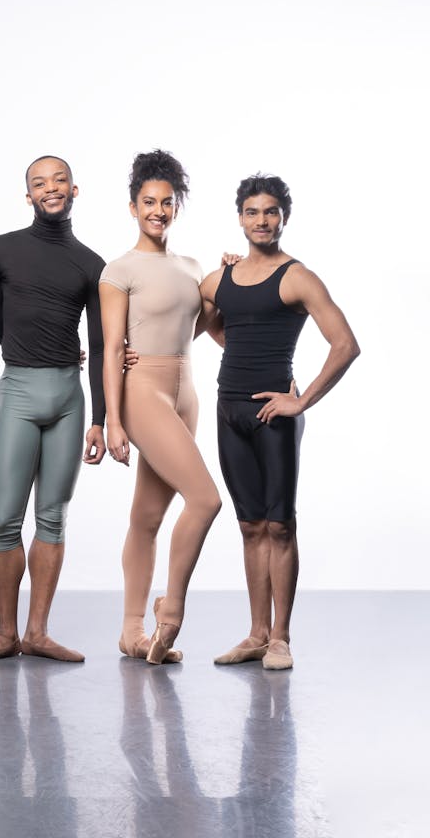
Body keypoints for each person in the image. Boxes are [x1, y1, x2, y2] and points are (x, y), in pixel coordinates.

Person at [203, 174, 359, 670]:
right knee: (249, 526)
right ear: (240, 218)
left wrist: (302, 400)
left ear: (283, 218)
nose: (262, 220)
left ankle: (281, 639)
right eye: (252, 212)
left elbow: (345, 344)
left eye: (271, 212)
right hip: (228, 411)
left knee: (280, 527)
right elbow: (206, 317)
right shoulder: (221, 277)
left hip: (276, 418)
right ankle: (255, 634)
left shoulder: (297, 277)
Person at [0, 155, 107, 663]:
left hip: (71, 398)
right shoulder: (2, 250)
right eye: (39, 183)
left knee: (53, 518)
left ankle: (38, 633)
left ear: (75, 188)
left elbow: (102, 341)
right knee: (5, 518)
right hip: (21, 392)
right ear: (28, 195)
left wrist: (100, 419)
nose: (50, 188)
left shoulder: (93, 264)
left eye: (59, 180)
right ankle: (5, 635)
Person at [99, 150, 223, 665]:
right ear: (132, 207)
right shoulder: (119, 269)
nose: (158, 210)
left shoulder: (192, 267)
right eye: (148, 202)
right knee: (205, 499)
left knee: (148, 514)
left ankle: (132, 633)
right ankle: (169, 611)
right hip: (142, 390)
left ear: (177, 206)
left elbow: (199, 327)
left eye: (167, 202)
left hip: (186, 387)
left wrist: (225, 278)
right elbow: (110, 348)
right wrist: (112, 419)